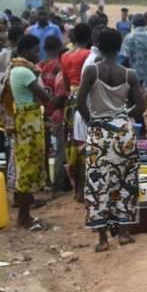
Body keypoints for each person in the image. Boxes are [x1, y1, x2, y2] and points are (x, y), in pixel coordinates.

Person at [77, 28, 145, 251]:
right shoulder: (129, 74)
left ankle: (103, 239)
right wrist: (122, 116)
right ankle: (124, 233)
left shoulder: (91, 72)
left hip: (99, 133)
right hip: (123, 133)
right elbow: (141, 106)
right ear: (119, 46)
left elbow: (79, 104)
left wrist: (94, 122)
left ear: (98, 45)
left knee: (99, 183)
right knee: (126, 181)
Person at [8, 35, 50, 231]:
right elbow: (44, 96)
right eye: (34, 50)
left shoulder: (16, 69)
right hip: (29, 122)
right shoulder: (24, 72)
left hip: (26, 120)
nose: (37, 54)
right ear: (25, 51)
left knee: (25, 164)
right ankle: (23, 217)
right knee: (27, 168)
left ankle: (25, 212)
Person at [61, 23, 93, 201]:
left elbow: (65, 85)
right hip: (85, 98)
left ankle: (77, 189)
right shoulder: (89, 55)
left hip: (71, 99)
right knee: (86, 141)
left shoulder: (65, 56)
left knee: (73, 142)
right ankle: (87, 187)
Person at [40, 36, 65, 186]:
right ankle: (57, 181)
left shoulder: (39, 65)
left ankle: (46, 181)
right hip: (56, 110)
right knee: (59, 148)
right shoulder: (59, 66)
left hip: (42, 110)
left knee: (45, 147)